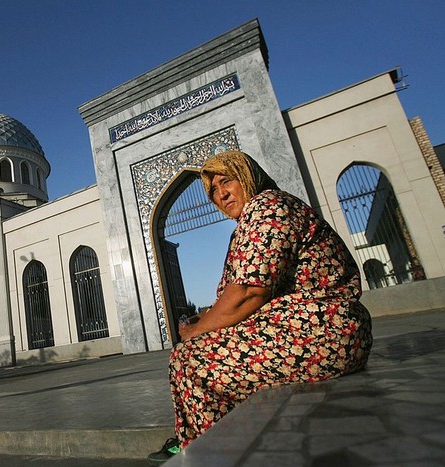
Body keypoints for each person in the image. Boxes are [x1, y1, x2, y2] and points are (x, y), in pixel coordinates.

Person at [147, 151, 373, 465]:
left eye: (227, 181)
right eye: (213, 191)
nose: (220, 194)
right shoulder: (254, 219)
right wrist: (207, 317)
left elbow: (250, 292)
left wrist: (196, 330)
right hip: (305, 330)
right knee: (194, 351)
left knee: (192, 358)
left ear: (248, 176)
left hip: (325, 331)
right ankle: (200, 444)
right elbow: (244, 291)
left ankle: (215, 453)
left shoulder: (267, 206)